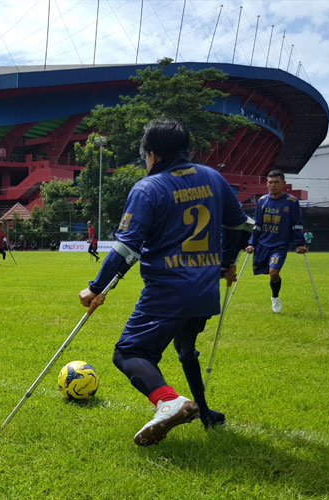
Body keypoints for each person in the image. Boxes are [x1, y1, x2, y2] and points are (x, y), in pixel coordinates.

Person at [78, 119, 251, 446]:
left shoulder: (149, 187)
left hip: (168, 291)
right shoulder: (213, 177)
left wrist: (97, 288)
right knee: (186, 350)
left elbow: (126, 247)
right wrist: (227, 263)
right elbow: (241, 227)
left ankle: (168, 401)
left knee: (129, 352)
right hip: (204, 290)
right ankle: (204, 412)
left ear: (152, 155)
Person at [245, 170, 307, 313]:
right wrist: (251, 243)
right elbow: (257, 224)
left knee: (273, 272)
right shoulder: (262, 201)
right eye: (270, 182)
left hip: (279, 244)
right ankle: (274, 293)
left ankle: (275, 297)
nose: (272, 185)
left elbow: (297, 224)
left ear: (283, 184)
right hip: (262, 243)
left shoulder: (291, 202)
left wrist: (299, 244)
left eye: (276, 182)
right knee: (265, 271)